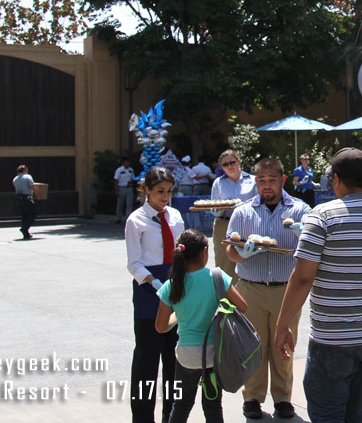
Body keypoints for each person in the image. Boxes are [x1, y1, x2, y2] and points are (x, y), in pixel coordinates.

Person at [274, 148, 362, 423]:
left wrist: (282, 325)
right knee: (355, 409)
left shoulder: (323, 216)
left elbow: (302, 278)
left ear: (336, 180)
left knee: (328, 414)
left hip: (333, 341)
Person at [225, 157, 311, 420]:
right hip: (250, 286)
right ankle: (252, 396)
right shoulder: (243, 211)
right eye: (261, 181)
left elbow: (313, 248)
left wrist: (302, 237)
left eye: (271, 180)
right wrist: (242, 253)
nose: (266, 186)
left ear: (282, 180)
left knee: (283, 344)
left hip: (286, 289)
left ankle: (283, 398)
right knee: (252, 345)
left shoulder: (300, 210)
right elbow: (230, 248)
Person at [155, 229, 248, 423]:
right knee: (213, 406)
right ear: (205, 251)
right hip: (213, 354)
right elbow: (243, 307)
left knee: (180, 406)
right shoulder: (217, 277)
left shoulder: (171, 285)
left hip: (186, 356)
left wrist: (179, 316)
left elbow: (161, 327)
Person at [125, 166, 185, 423]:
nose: (165, 197)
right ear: (146, 190)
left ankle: (171, 417)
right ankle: (142, 418)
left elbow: (183, 251)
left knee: (174, 360)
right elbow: (134, 263)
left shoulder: (175, 216)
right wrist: (156, 283)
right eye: (160, 191)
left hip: (176, 287)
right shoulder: (135, 220)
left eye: (169, 191)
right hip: (149, 291)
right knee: (147, 361)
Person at [209, 149, 256, 278]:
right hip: (224, 223)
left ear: (239, 161)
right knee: (223, 261)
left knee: (248, 258)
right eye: (225, 164)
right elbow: (214, 204)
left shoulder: (253, 180)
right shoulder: (218, 183)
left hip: (247, 224)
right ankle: (225, 294)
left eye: (232, 162)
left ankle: (245, 293)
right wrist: (216, 212)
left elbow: (259, 204)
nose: (230, 166)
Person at [13, 164, 37, 240]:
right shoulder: (28, 177)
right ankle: (24, 228)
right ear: (24, 170)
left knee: (24, 215)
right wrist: (37, 193)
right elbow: (31, 186)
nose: (27, 171)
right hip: (27, 197)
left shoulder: (15, 179)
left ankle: (26, 233)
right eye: (26, 170)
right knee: (33, 214)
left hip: (19, 198)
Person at [115, 156, 136, 224]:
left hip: (129, 188)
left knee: (129, 204)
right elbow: (116, 180)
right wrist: (116, 190)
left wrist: (131, 182)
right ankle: (118, 218)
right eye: (126, 162)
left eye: (128, 162)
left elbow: (133, 178)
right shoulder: (119, 170)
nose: (127, 163)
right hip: (121, 188)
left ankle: (128, 219)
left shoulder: (131, 170)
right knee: (120, 204)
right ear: (123, 163)